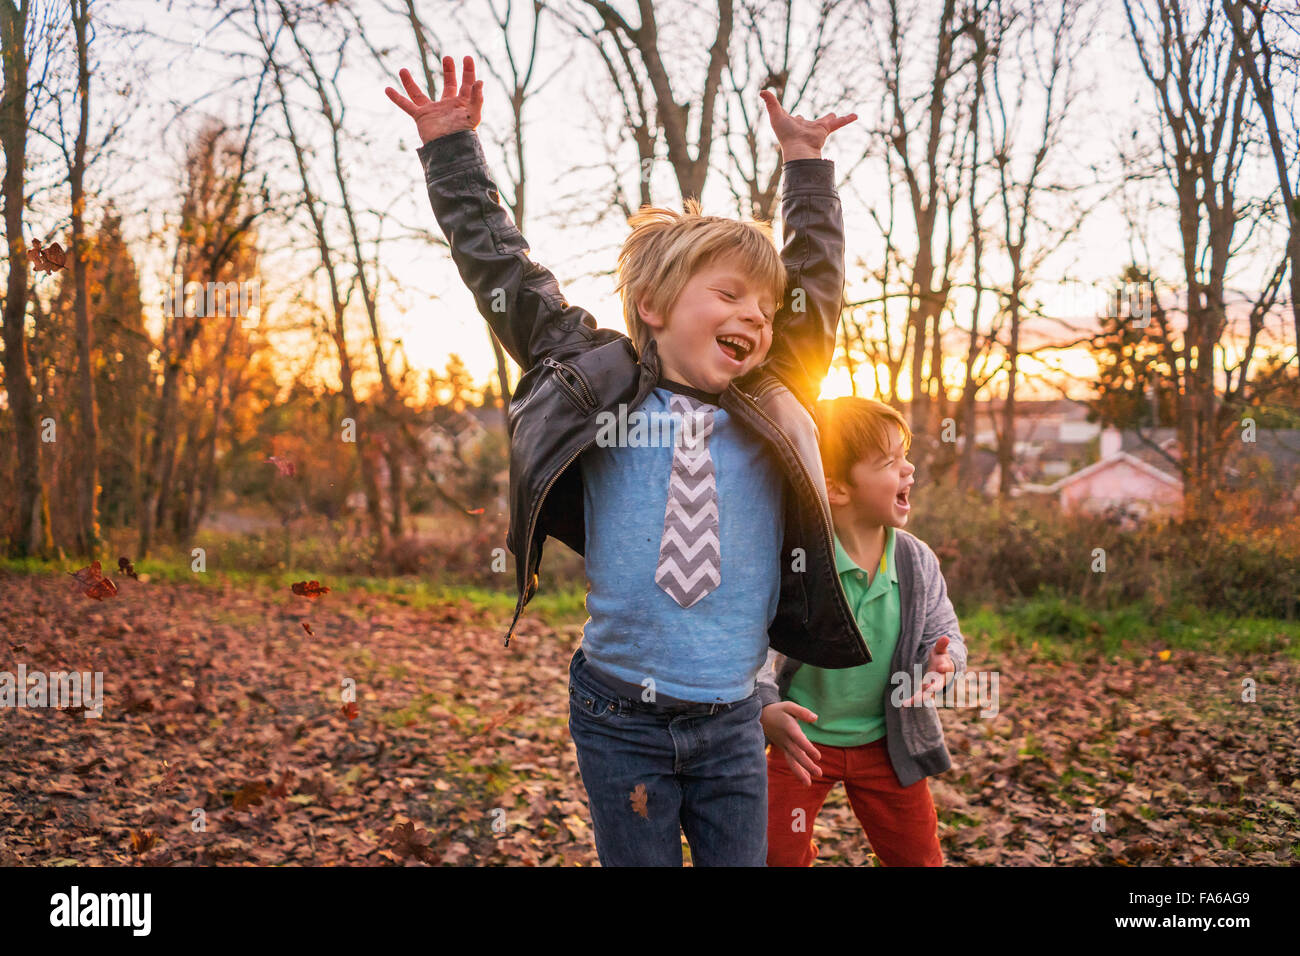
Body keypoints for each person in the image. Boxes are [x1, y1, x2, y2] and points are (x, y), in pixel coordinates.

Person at [387, 55, 862, 866]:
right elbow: (505, 272)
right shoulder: (594, 378)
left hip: (732, 719)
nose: (754, 314)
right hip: (617, 716)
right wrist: (451, 153)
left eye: (763, 305)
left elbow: (813, 286)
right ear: (654, 307)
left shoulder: (773, 397)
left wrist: (807, 170)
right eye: (729, 294)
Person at [758, 396, 968, 866]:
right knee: (775, 854)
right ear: (836, 488)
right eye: (890, 462)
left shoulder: (915, 562)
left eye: (905, 456)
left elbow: (945, 632)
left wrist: (944, 662)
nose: (908, 470)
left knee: (918, 858)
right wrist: (766, 706)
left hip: (887, 744)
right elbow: (747, 644)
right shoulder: (798, 563)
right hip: (799, 744)